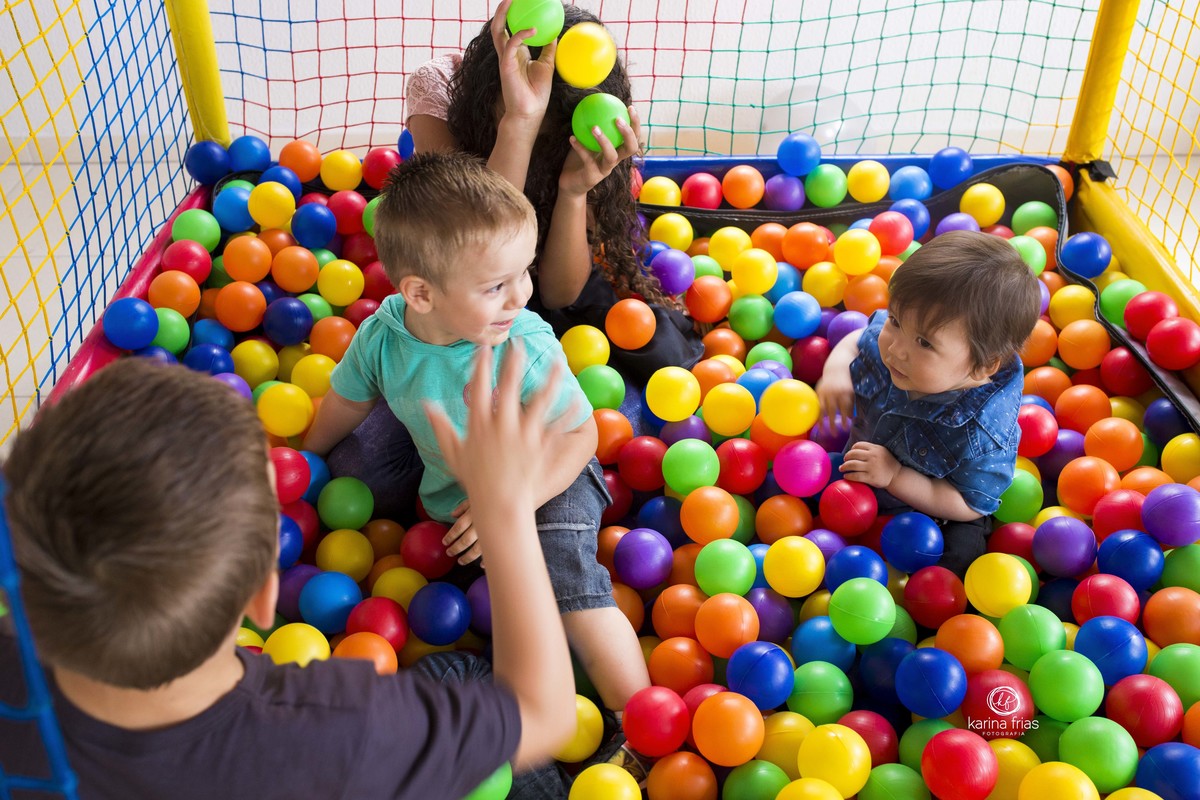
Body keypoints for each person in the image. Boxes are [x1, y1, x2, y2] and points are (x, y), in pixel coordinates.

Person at [0, 355, 575, 799]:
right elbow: (544, 715)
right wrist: (504, 513)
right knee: (461, 672)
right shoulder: (335, 727)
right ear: (264, 592)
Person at [302, 151, 651, 722]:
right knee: (351, 467)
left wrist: (508, 508)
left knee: (564, 579)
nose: (520, 297)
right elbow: (348, 397)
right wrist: (303, 460)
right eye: (496, 285)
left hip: (545, 482)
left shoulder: (521, 342)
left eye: (525, 273)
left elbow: (580, 433)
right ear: (420, 295)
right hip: (457, 491)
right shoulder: (383, 337)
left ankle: (640, 725)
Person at [406, 0, 704, 384]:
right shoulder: (440, 87)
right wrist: (520, 121)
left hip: (542, 292)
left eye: (544, 136)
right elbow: (473, 249)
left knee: (641, 361)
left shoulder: (586, 103)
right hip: (465, 279)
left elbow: (561, 297)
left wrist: (573, 192)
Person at [815, 230, 1041, 578]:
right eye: (895, 320)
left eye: (924, 342)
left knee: (957, 563)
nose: (895, 349)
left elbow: (968, 503)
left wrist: (896, 476)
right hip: (859, 473)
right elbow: (857, 339)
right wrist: (835, 375)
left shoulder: (982, 434)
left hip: (938, 511)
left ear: (983, 366)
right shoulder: (893, 345)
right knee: (805, 484)